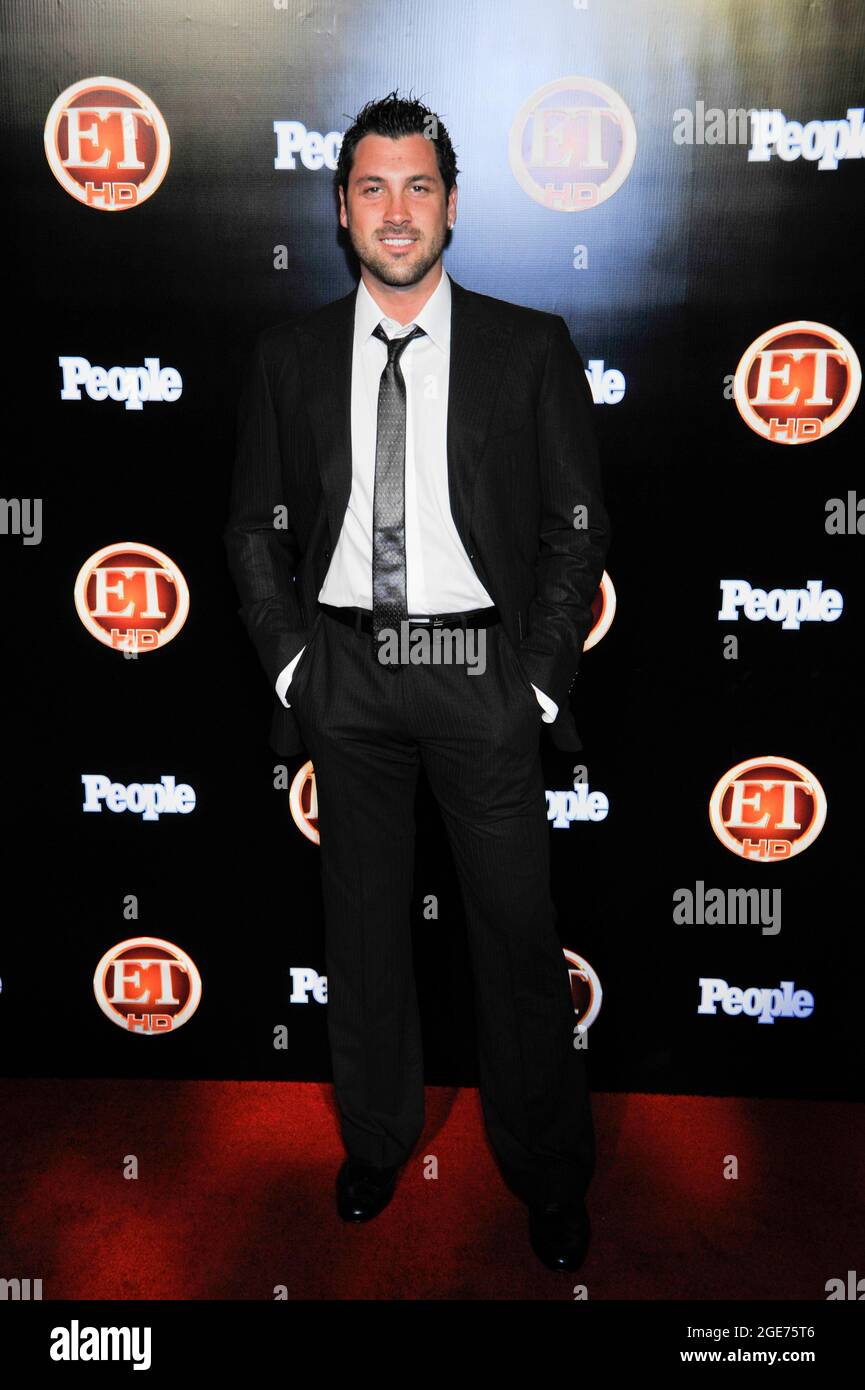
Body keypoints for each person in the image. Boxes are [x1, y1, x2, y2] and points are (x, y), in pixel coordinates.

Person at [225, 90, 610, 1272]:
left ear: (452, 205)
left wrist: (535, 683)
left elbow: (575, 523)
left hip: (476, 670)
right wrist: (298, 667)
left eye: (419, 187)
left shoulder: (528, 342)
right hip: (347, 670)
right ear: (341, 212)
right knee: (361, 932)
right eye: (373, 189)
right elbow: (251, 528)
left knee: (515, 932)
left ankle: (546, 1169)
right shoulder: (289, 355)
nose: (398, 212)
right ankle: (379, 1139)